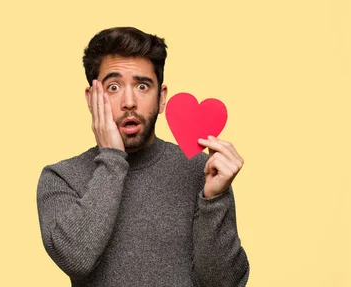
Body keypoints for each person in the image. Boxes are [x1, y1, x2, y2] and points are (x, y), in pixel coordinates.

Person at [36, 26, 250, 286]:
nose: (129, 101)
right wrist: (112, 158)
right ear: (92, 99)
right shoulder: (62, 177)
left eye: (142, 86)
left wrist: (214, 199)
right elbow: (75, 259)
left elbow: (224, 284)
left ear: (161, 99)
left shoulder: (201, 171)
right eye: (113, 87)